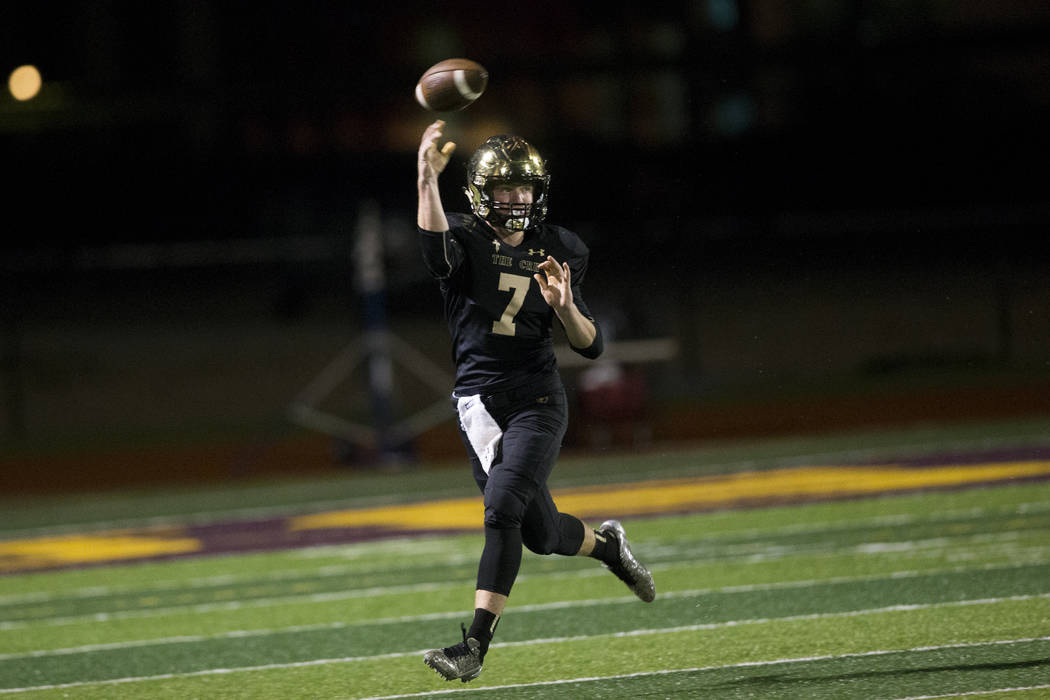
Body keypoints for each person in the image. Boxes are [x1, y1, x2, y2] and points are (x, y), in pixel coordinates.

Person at [415, 119, 655, 683]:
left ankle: (473, 647)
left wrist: (565, 306)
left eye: (525, 187)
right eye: (505, 189)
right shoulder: (463, 238)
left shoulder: (560, 248)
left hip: (537, 398)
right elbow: (435, 257)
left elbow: (591, 345)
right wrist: (426, 180)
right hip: (477, 405)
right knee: (541, 535)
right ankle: (609, 547)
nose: (518, 199)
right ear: (482, 194)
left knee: (501, 507)